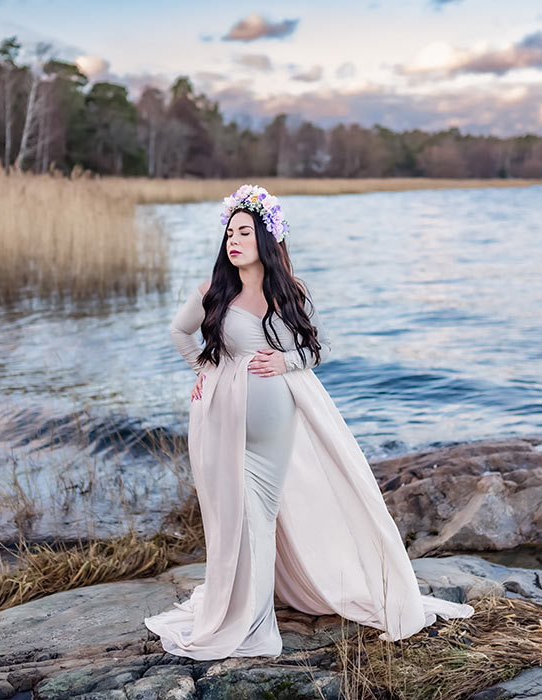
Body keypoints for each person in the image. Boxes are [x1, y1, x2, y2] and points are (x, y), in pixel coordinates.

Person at [143, 184, 474, 660]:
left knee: (264, 516)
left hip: (275, 432)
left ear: (265, 239)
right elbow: (179, 332)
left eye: (243, 232)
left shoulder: (288, 293)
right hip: (219, 423)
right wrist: (205, 371)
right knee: (236, 519)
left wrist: (285, 364)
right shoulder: (213, 291)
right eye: (229, 233)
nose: (233, 242)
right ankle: (249, 623)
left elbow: (312, 351)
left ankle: (261, 607)